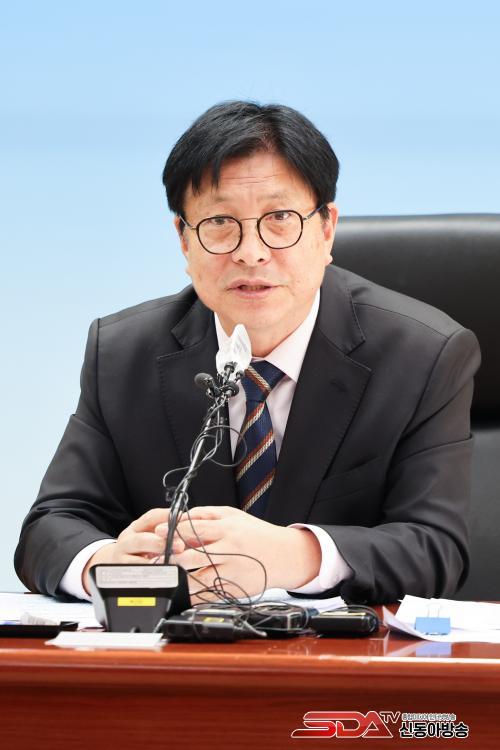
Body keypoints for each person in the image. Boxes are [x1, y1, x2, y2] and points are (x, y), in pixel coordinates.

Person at [15, 101, 480, 604]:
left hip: (340, 650)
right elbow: (49, 527)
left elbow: (436, 549)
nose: (251, 252)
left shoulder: (423, 355)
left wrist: (293, 555)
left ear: (326, 229)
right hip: (179, 646)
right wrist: (106, 565)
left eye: (280, 218)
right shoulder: (123, 353)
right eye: (220, 221)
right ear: (184, 240)